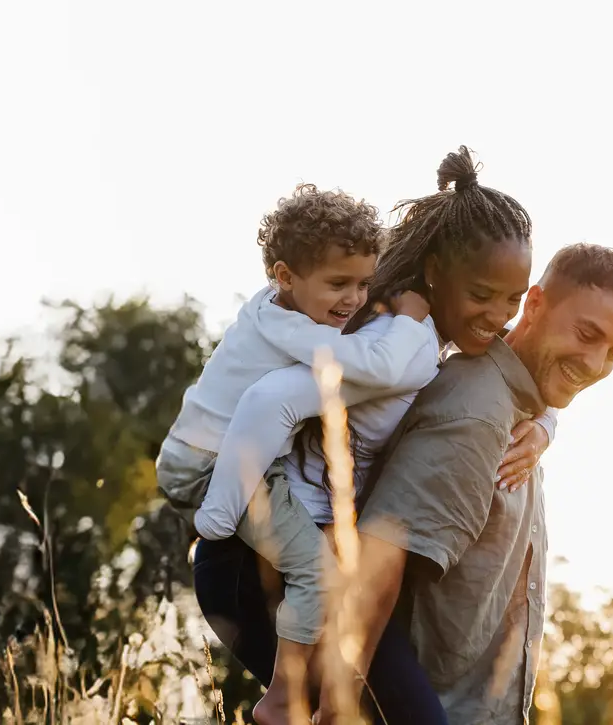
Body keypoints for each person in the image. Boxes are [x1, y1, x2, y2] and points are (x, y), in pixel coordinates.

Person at [193, 147, 560, 723]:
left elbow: (513, 382)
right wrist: (218, 508)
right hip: (261, 562)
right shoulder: (394, 342)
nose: (500, 315)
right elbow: (271, 398)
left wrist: (544, 424)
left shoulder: (429, 336)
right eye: (482, 295)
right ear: (436, 272)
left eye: (513, 298)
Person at [323, 242, 613, 724]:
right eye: (587, 334)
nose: (595, 364)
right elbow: (371, 573)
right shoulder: (477, 413)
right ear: (534, 303)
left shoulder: (525, 408)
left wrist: (546, 425)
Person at [156, 183, 442, 725]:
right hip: (209, 467)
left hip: (229, 456)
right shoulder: (288, 328)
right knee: (319, 573)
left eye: (363, 283)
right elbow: (371, 365)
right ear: (284, 277)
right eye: (338, 283)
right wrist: (410, 320)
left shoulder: (278, 310)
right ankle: (282, 701)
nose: (354, 299)